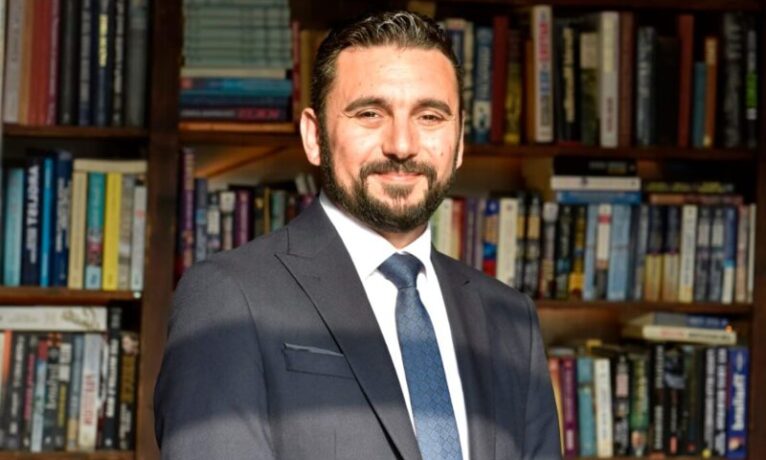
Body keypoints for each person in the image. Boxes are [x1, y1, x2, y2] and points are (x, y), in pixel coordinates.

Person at [154, 10, 561, 460]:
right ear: (314, 137)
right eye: (370, 113)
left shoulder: (512, 320)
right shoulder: (228, 296)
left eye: (430, 116)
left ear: (460, 141)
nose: (402, 145)